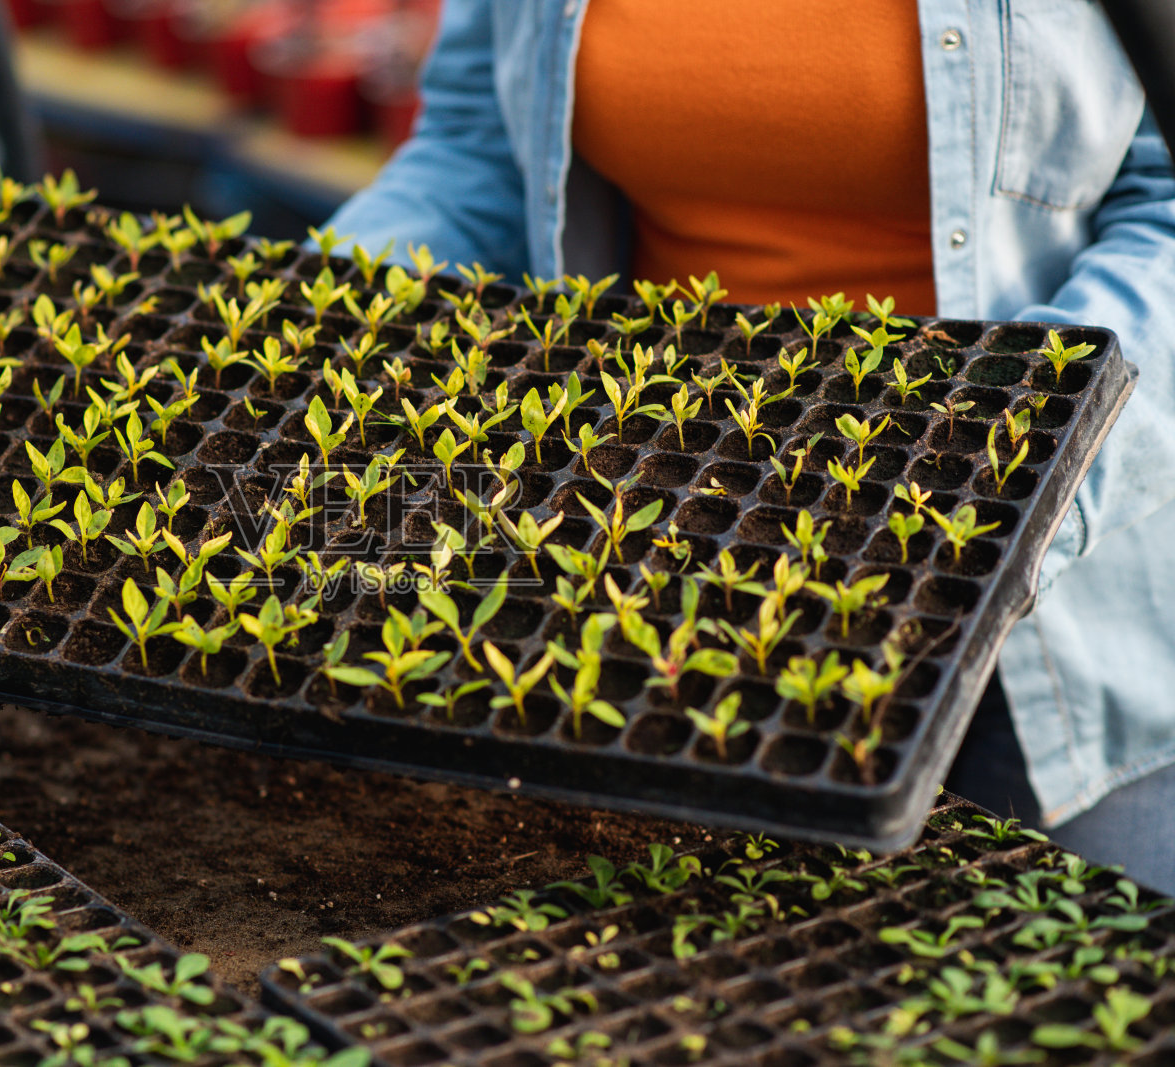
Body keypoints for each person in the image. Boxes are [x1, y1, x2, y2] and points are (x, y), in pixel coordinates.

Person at [324, 0, 1175, 889]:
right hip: (657, 557)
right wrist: (315, 324)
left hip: (1050, 601)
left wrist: (998, 491)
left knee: (1061, 976)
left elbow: (1166, 209)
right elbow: (476, 151)